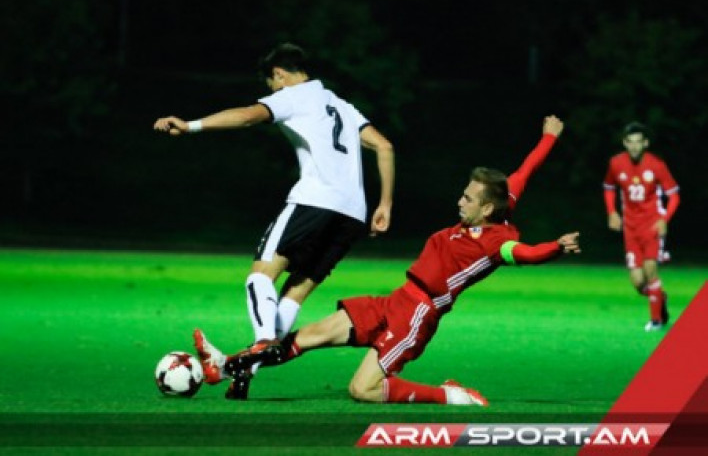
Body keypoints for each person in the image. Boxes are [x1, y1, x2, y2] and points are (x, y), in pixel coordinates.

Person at [195, 117, 575, 404]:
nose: (459, 201)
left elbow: (526, 254)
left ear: (488, 209)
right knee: (308, 336)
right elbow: (526, 170)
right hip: (397, 299)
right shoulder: (498, 203)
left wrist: (556, 247)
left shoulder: (498, 242)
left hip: (417, 315)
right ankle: (226, 365)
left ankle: (449, 395)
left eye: (468, 199)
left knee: (362, 389)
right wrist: (549, 137)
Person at [153, 43, 395, 395]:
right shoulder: (340, 105)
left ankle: (262, 343)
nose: (272, 92)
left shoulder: (294, 95)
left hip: (314, 201)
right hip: (352, 215)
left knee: (260, 276)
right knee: (293, 296)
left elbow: (247, 116)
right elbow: (385, 146)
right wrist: (384, 204)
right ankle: (238, 369)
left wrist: (190, 126)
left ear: (279, 74)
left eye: (271, 85)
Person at [603, 122, 680, 332]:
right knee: (638, 283)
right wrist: (612, 212)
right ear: (624, 143)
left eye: (639, 142)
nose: (634, 146)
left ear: (646, 143)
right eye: (630, 142)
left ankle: (656, 321)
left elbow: (674, 196)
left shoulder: (657, 165)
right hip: (630, 228)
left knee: (650, 270)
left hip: (652, 226)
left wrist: (664, 219)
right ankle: (659, 297)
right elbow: (609, 187)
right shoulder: (616, 163)